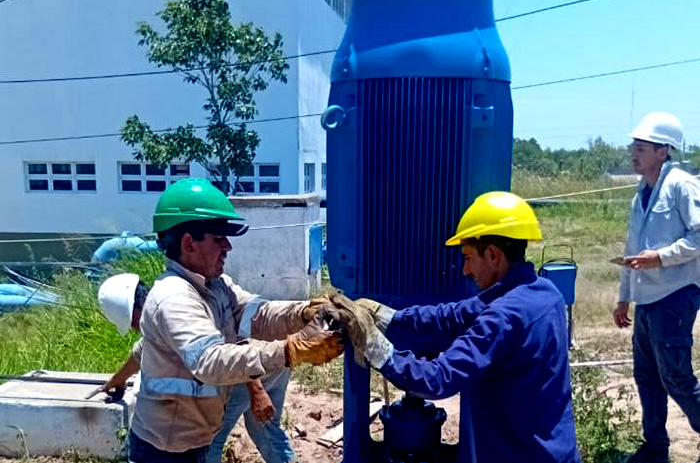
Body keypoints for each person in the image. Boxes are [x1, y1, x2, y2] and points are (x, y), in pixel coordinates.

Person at [338, 191, 580, 462]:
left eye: (467, 257)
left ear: (493, 255)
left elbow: (437, 379)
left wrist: (376, 348)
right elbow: (453, 317)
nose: (465, 270)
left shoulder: (504, 318)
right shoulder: (546, 293)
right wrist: (388, 318)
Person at [127, 178, 343, 463]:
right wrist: (289, 351)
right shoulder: (174, 298)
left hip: (194, 442)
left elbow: (258, 315)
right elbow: (210, 361)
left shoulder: (215, 286)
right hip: (163, 451)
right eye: (218, 239)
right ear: (189, 243)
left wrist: (303, 312)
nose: (228, 246)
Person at [95, 273, 302, 463]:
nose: (135, 329)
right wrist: (118, 379)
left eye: (132, 323)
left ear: (133, 313)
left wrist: (256, 391)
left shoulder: (174, 312)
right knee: (265, 430)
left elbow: (235, 343)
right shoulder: (167, 303)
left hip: (248, 372)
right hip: (274, 364)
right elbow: (140, 351)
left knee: (209, 442)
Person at [612, 112, 700, 463]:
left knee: (676, 377)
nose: (633, 154)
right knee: (647, 376)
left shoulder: (681, 185)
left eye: (641, 148)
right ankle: (655, 447)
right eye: (633, 147)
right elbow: (633, 248)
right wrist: (624, 297)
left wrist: (660, 258)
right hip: (648, 298)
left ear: (663, 151)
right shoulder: (641, 193)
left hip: (676, 294)